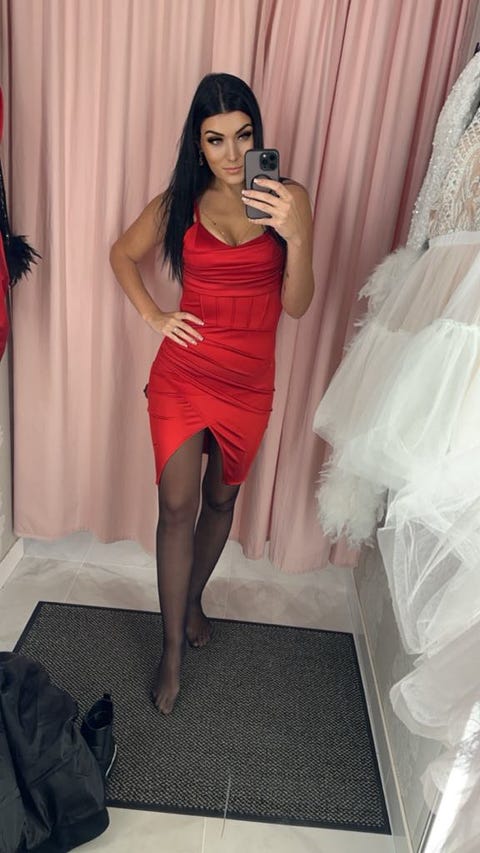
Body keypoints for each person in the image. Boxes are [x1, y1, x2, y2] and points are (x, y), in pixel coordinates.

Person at [110, 73, 314, 714]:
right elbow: (121, 254)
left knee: (220, 500)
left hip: (249, 381)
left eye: (243, 136)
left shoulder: (289, 200)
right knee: (177, 507)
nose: (231, 153)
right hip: (184, 374)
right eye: (215, 139)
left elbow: (298, 305)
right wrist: (154, 316)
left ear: (258, 136)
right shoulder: (180, 202)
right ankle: (170, 649)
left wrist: (296, 236)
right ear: (197, 146)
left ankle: (192, 597)